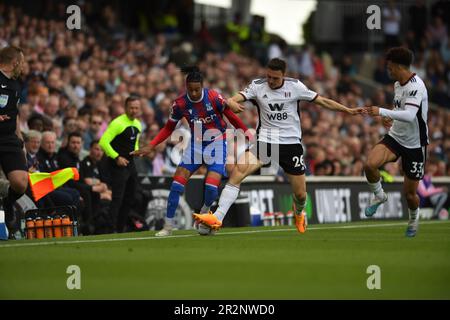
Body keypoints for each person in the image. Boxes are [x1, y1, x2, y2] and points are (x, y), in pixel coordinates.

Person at [193, 58, 362, 233]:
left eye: (275, 78)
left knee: (300, 194)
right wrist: (230, 102)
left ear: (284, 76)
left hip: (291, 144)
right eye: (269, 77)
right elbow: (235, 97)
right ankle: (217, 218)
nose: (271, 81)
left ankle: (299, 212)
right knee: (238, 172)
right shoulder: (258, 86)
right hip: (266, 141)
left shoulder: (295, 87)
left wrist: (347, 110)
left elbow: (323, 101)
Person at [131, 67, 249, 237]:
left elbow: (232, 117)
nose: (193, 93)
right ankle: (168, 227)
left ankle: (204, 212)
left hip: (217, 144)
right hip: (196, 146)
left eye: (197, 89)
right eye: (190, 89)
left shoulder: (213, 97)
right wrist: (152, 145)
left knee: (211, 189)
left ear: (202, 87)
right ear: (185, 87)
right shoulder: (180, 104)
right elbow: (168, 128)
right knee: (176, 186)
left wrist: (247, 134)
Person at [363, 47, 429, 237]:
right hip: (395, 137)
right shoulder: (397, 84)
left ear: (400, 67)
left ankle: (413, 219)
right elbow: (400, 109)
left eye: (390, 67)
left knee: (409, 195)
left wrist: (382, 112)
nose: (388, 70)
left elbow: (409, 115)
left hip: (416, 145)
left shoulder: (416, 86)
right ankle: (379, 196)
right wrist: (389, 117)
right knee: (369, 165)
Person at [99, 95, 142, 233]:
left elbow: (134, 142)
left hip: (130, 163)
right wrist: (117, 157)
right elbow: (103, 142)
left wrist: (137, 151)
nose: (134, 111)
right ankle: (110, 229)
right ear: (125, 108)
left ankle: (120, 227)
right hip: (117, 164)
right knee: (117, 198)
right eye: (131, 108)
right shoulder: (117, 123)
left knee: (131, 197)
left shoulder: (138, 124)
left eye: (136, 108)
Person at [0, 46, 28, 238]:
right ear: (15, 62)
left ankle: (8, 202)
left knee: (21, 183)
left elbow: (15, 114)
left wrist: (20, 138)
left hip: (9, 138)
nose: (24, 66)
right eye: (23, 61)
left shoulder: (16, 85)